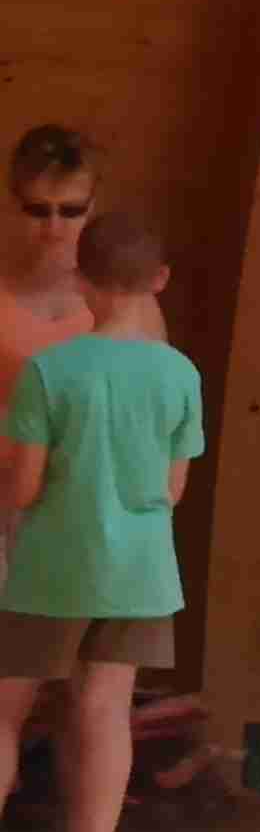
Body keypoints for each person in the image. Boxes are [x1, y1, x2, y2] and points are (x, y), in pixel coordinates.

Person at [0, 210, 202, 832]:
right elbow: (173, 489)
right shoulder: (180, 374)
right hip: (140, 571)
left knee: (5, 714)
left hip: (50, 566)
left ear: (82, 280)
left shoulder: (50, 371)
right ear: (160, 280)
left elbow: (25, 488)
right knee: (105, 711)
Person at [0, 127, 101, 602]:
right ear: (12, 206)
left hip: (81, 508)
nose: (55, 227)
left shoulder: (123, 302)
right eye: (38, 210)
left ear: (92, 207)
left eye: (71, 210)